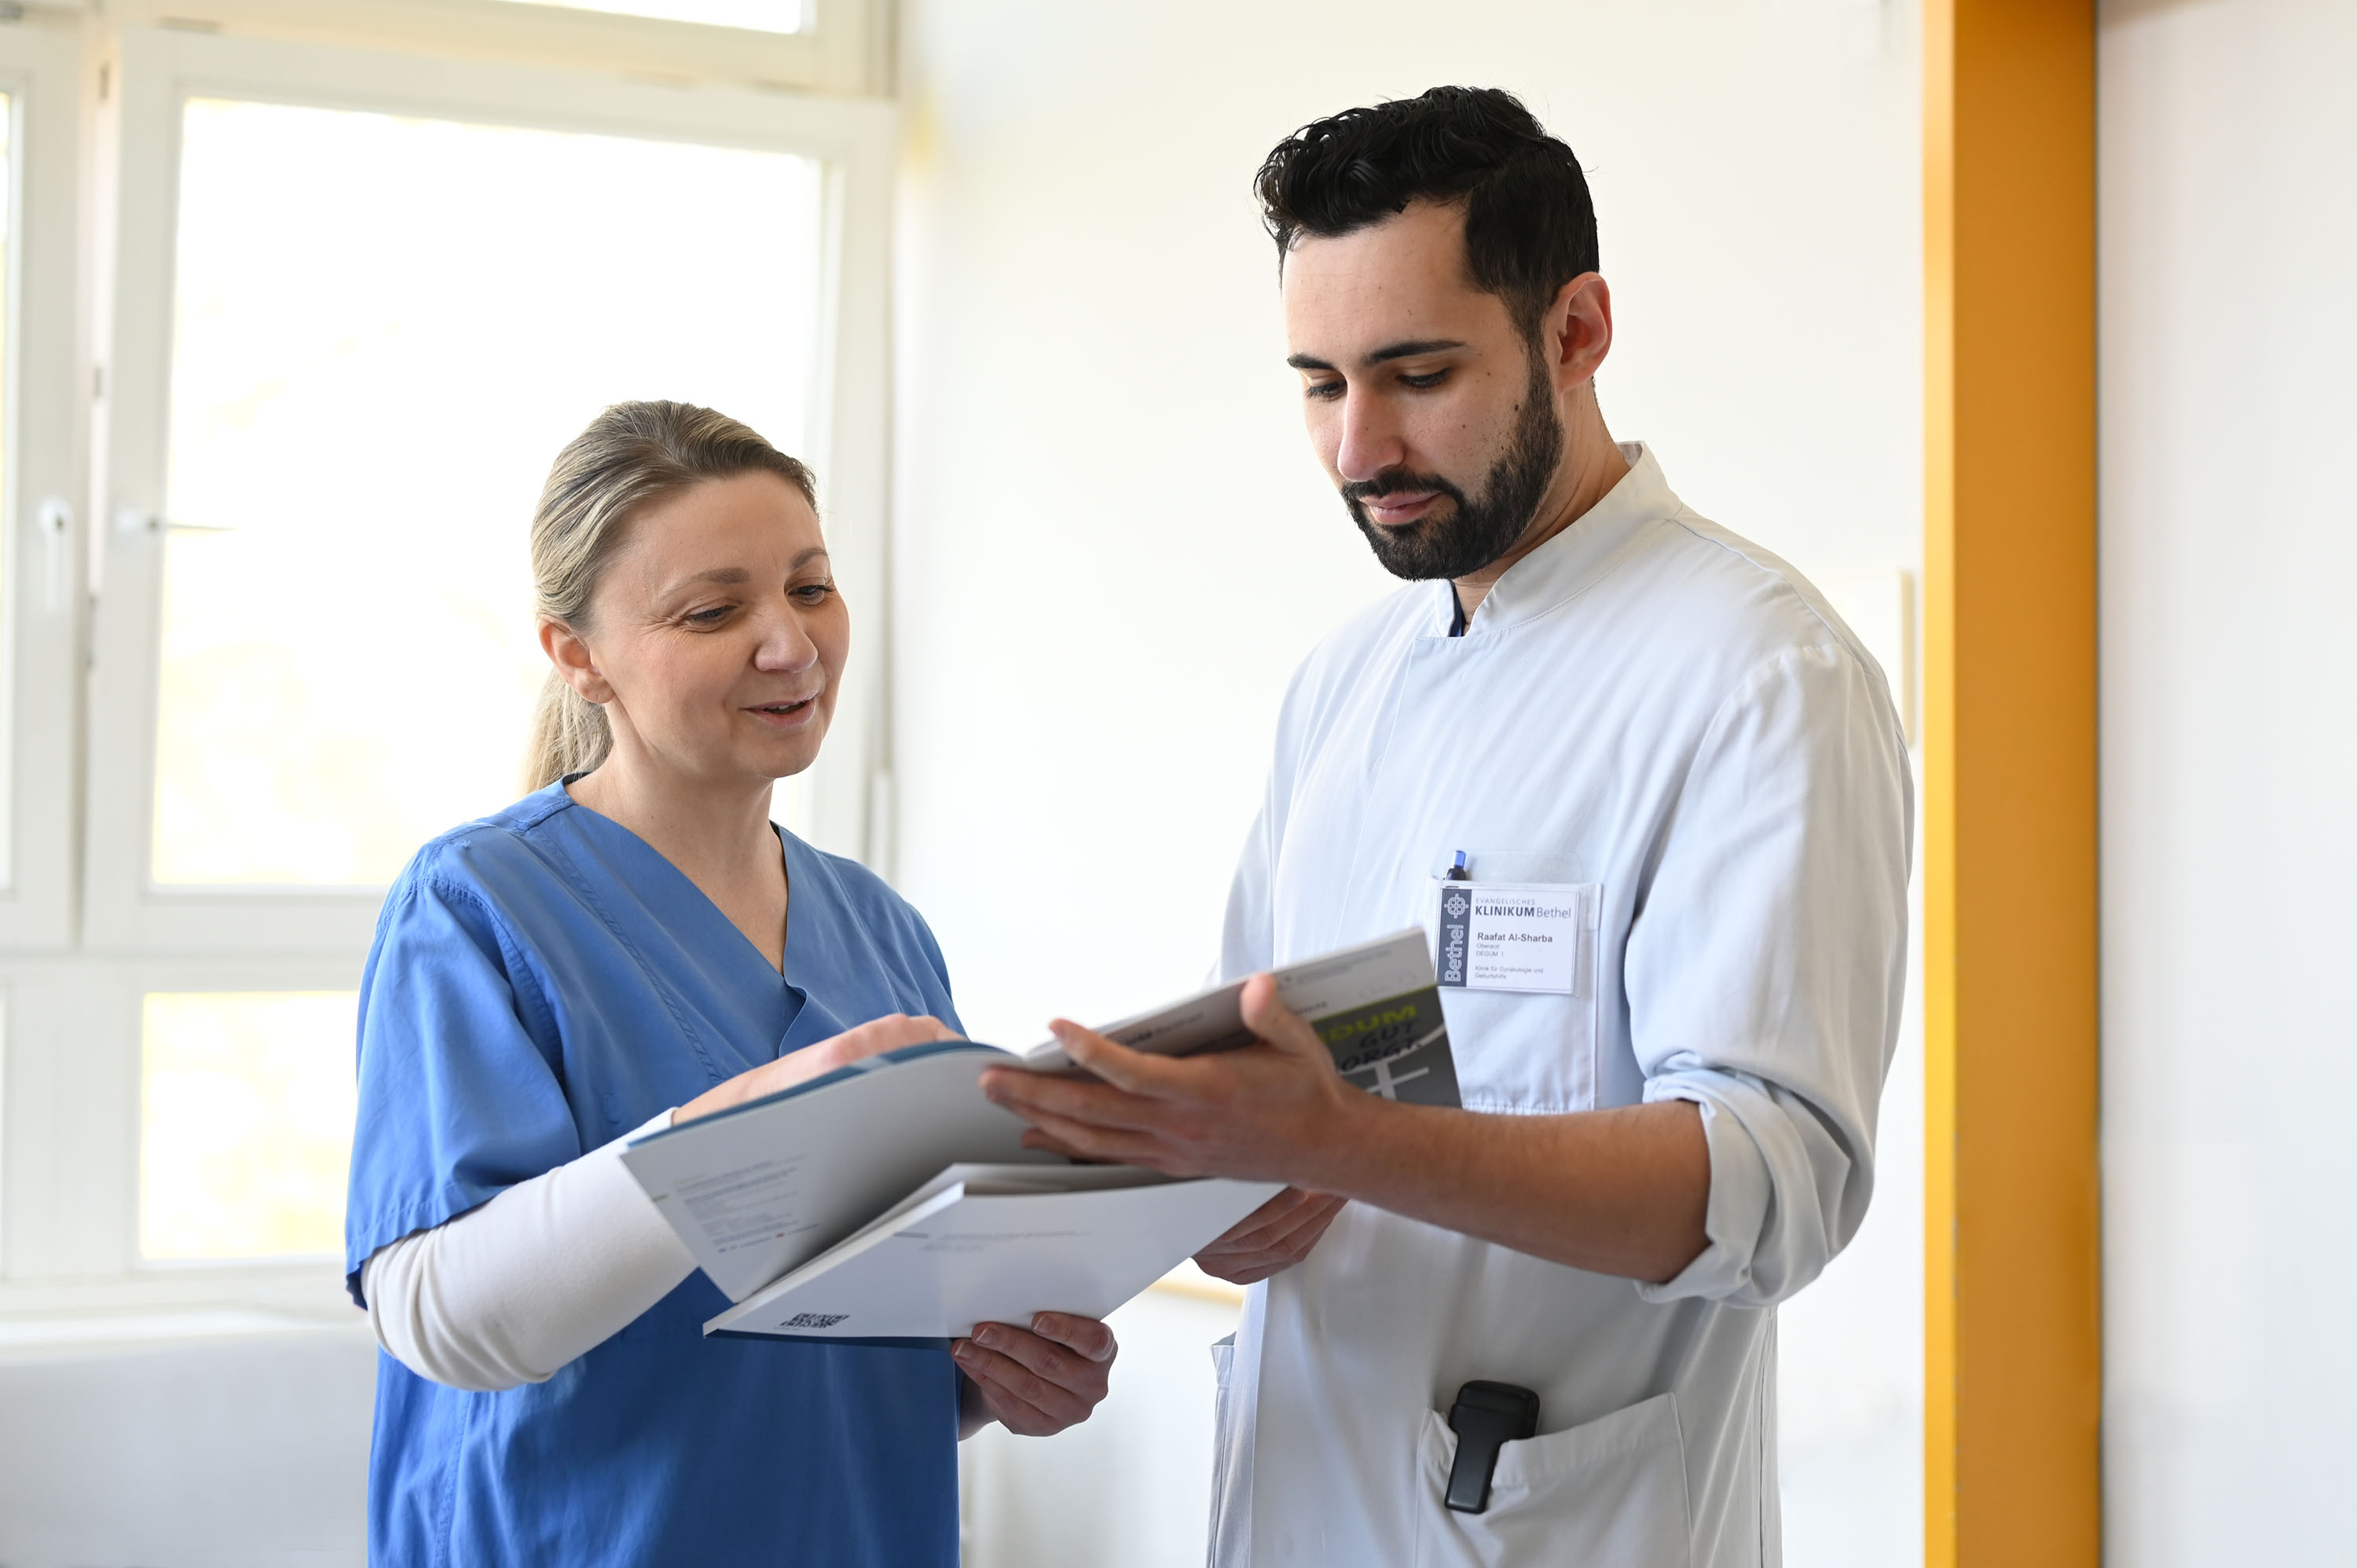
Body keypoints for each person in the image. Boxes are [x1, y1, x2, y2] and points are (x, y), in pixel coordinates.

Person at [979, 88, 1912, 1566]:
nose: (1362, 448)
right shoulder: (1346, 685)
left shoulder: (1757, 671)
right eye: (1319, 384)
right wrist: (1218, 1199)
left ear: (1577, 330)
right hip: (1304, 1504)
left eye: (1417, 374)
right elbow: (1265, 1106)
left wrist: (1346, 1143)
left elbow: (1771, 1187)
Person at [344, 401, 1116, 1567]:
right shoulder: (477, 905)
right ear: (577, 655)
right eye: (715, 611)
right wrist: (746, 1132)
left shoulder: (881, 932)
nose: (791, 646)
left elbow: (862, 1348)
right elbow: (440, 1315)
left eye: (810, 588)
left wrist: (1002, 1377)